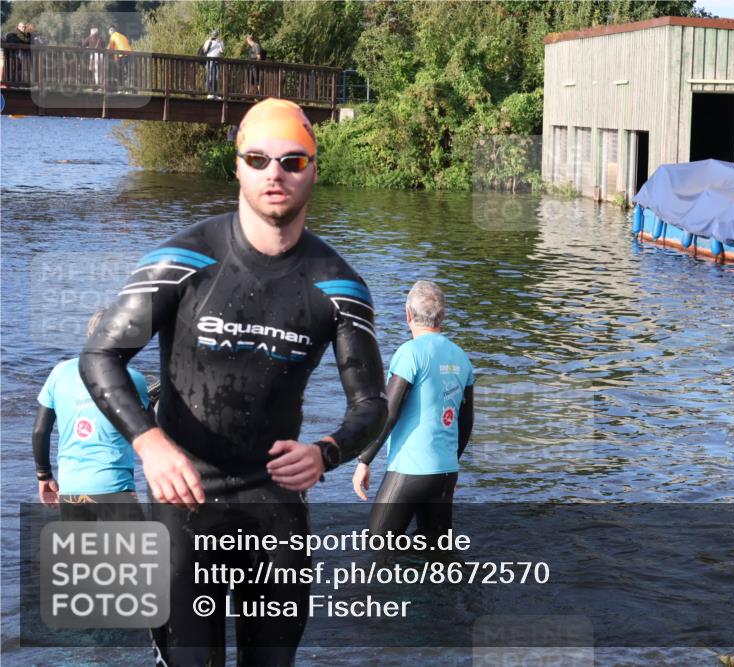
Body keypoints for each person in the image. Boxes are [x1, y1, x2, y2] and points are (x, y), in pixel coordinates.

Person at [80, 97, 387, 665]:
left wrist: (328, 452)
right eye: (259, 158)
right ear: (238, 166)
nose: (275, 173)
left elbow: (372, 403)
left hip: (276, 511)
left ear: (314, 169)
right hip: (184, 504)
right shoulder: (182, 260)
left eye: (293, 161)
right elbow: (100, 357)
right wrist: (150, 447)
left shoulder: (339, 286)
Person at [353, 281, 475, 539]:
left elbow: (389, 412)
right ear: (443, 315)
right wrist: (452, 461)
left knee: (378, 543)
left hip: (410, 470)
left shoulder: (410, 353)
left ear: (407, 314)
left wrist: (365, 459)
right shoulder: (461, 357)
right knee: (438, 551)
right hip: (445, 472)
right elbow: (466, 421)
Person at [34, 309, 152, 521]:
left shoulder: (59, 373)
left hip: (71, 488)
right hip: (115, 486)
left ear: (90, 337)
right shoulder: (134, 379)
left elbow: (41, 431)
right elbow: (152, 433)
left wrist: (44, 475)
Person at [106, 25, 131, 90]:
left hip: (122, 55)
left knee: (120, 71)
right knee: (129, 72)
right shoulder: (122, 36)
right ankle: (129, 86)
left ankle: (121, 86)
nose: (109, 34)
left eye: (109, 32)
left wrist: (105, 51)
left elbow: (110, 48)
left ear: (111, 31)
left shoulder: (113, 36)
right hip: (130, 54)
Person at [202, 29, 224, 97]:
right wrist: (210, 42)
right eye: (213, 35)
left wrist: (219, 43)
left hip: (217, 61)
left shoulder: (220, 42)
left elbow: (222, 51)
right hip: (209, 60)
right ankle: (209, 93)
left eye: (215, 35)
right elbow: (205, 50)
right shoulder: (207, 41)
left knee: (216, 77)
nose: (214, 36)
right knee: (210, 76)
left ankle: (215, 93)